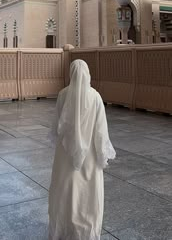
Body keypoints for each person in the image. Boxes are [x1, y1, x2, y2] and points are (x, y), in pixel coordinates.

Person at [48, 59, 116, 240]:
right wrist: (103, 155)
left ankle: (63, 230)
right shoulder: (95, 97)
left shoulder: (63, 94)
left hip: (65, 153)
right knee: (88, 195)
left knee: (65, 193)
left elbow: (57, 126)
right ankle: (87, 232)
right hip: (90, 157)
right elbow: (101, 131)